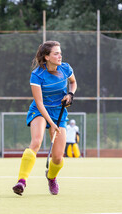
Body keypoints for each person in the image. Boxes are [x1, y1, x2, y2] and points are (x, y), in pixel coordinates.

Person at [12, 40, 77, 196]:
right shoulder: (37, 75)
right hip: (40, 111)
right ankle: (21, 181)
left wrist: (70, 94)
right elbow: (40, 103)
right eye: (56, 53)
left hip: (58, 112)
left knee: (58, 157)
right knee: (36, 141)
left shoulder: (65, 68)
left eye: (60, 52)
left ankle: (52, 177)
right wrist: (51, 123)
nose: (60, 55)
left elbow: (73, 83)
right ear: (47, 57)